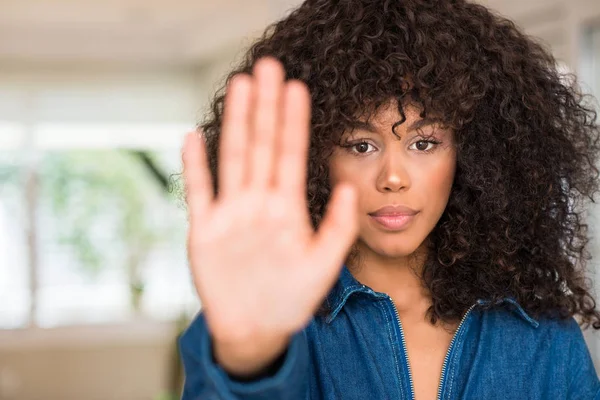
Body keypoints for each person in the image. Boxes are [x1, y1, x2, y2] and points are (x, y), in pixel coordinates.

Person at [178, 0, 600, 398]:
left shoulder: (542, 335)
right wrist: (247, 366)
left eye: (424, 143)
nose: (393, 178)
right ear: (316, 157)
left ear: (474, 153)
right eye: (361, 145)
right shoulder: (274, 322)